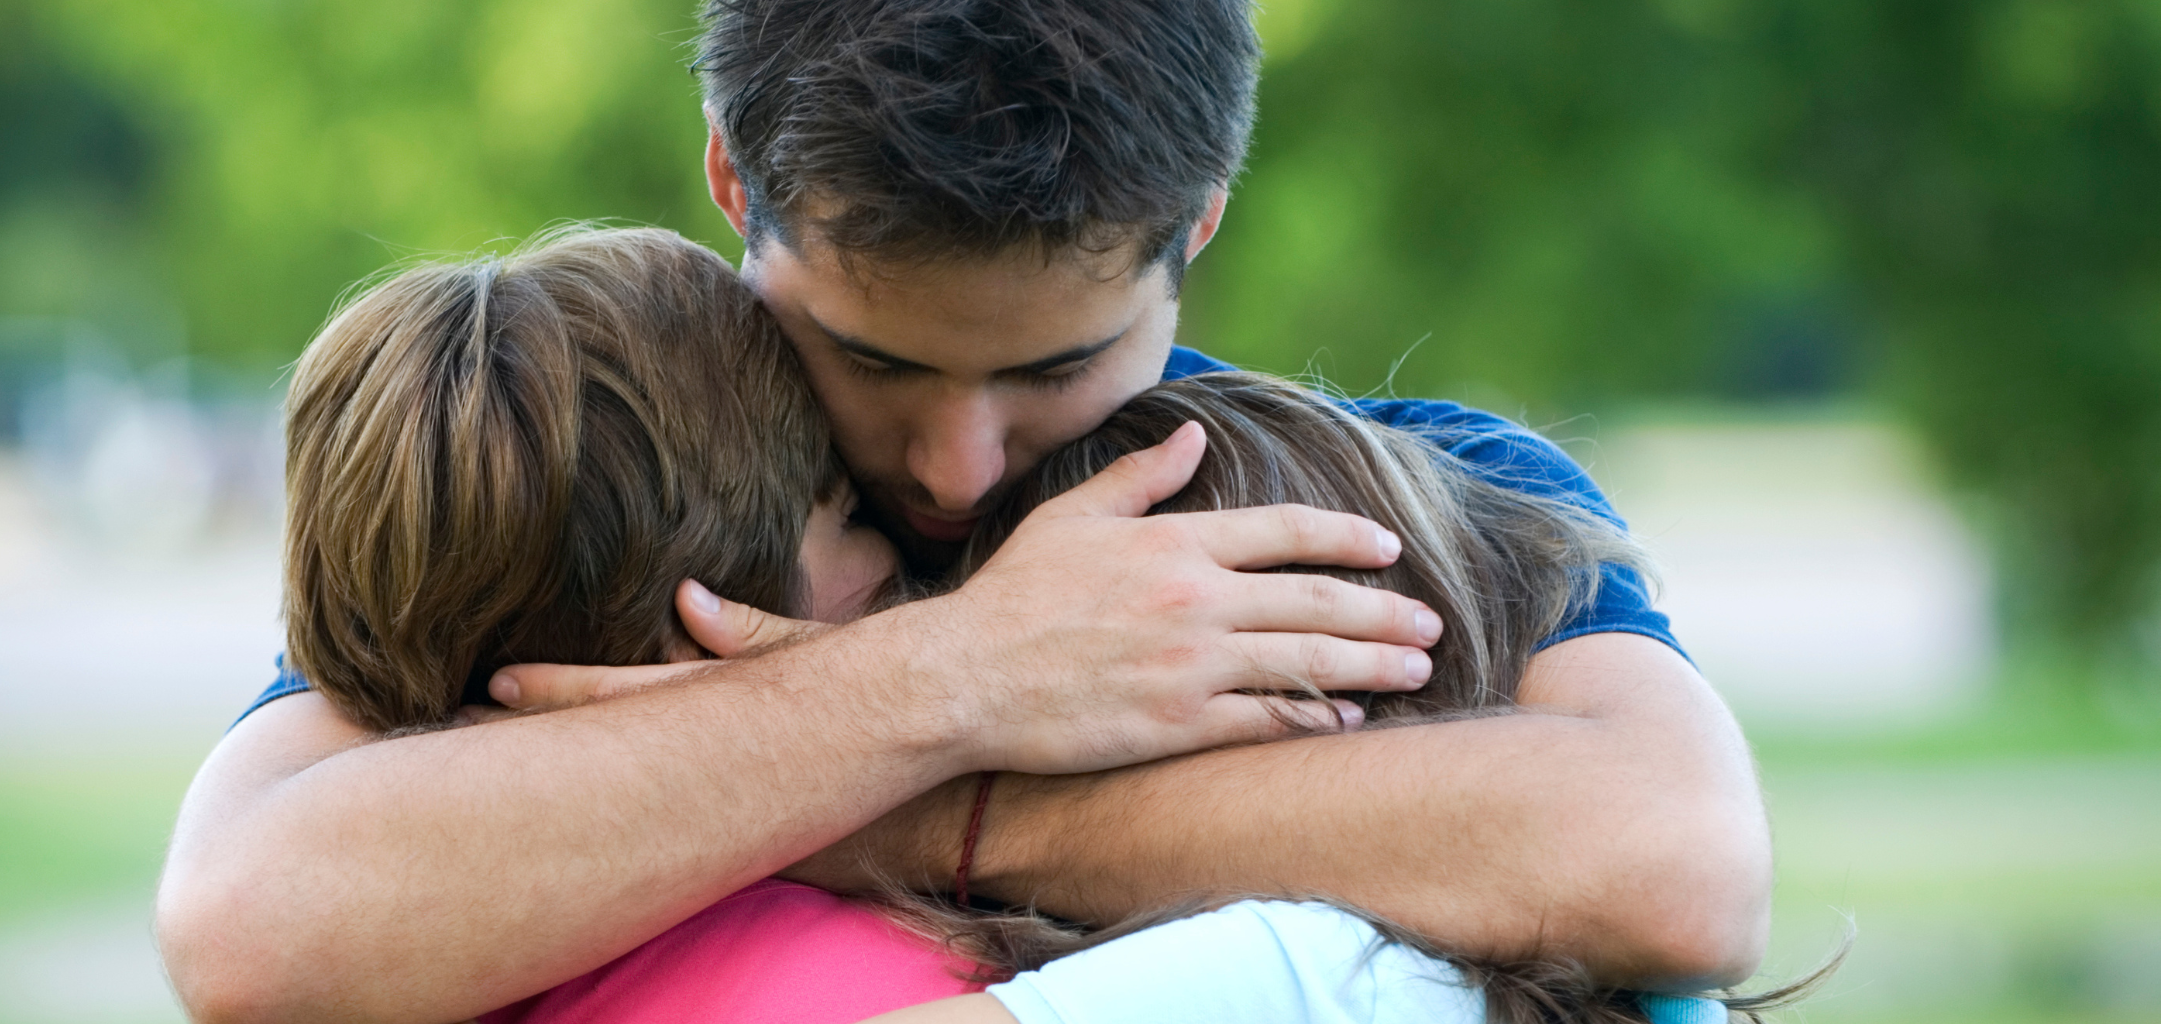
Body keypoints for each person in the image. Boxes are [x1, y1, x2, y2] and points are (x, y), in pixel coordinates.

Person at [155, 0, 1773, 1020]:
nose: (956, 469)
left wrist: (934, 815)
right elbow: (261, 929)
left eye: (1054, 369)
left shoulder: (1401, 488)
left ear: (1194, 217)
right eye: (872, 362)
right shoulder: (627, 473)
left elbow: (1672, 867)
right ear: (735, 179)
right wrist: (958, 678)